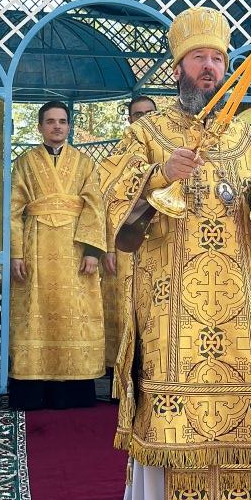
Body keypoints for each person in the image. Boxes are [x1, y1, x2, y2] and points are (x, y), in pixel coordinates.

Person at [100, 7, 251, 500]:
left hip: (235, 304)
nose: (210, 67)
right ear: (178, 68)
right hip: (169, 301)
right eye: (198, 58)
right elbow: (113, 208)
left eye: (217, 58)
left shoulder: (247, 137)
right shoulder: (147, 132)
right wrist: (159, 176)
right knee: (169, 401)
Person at [9, 101, 106, 410]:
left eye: (62, 121)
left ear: (69, 127)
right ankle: (32, 392)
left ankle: (73, 392)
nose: (56, 126)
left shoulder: (84, 162)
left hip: (74, 251)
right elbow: (13, 210)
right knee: (34, 315)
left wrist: (92, 251)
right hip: (35, 247)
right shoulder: (25, 162)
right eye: (50, 121)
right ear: (40, 127)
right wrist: (15, 253)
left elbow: (95, 207)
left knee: (74, 315)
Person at [101, 97, 158, 390]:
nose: (144, 118)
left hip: (160, 245)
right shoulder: (120, 152)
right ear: (129, 120)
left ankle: (152, 374)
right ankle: (120, 379)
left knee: (154, 311)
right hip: (124, 246)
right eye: (138, 114)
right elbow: (107, 201)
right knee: (126, 310)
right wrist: (108, 248)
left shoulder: (171, 147)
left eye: (150, 113)